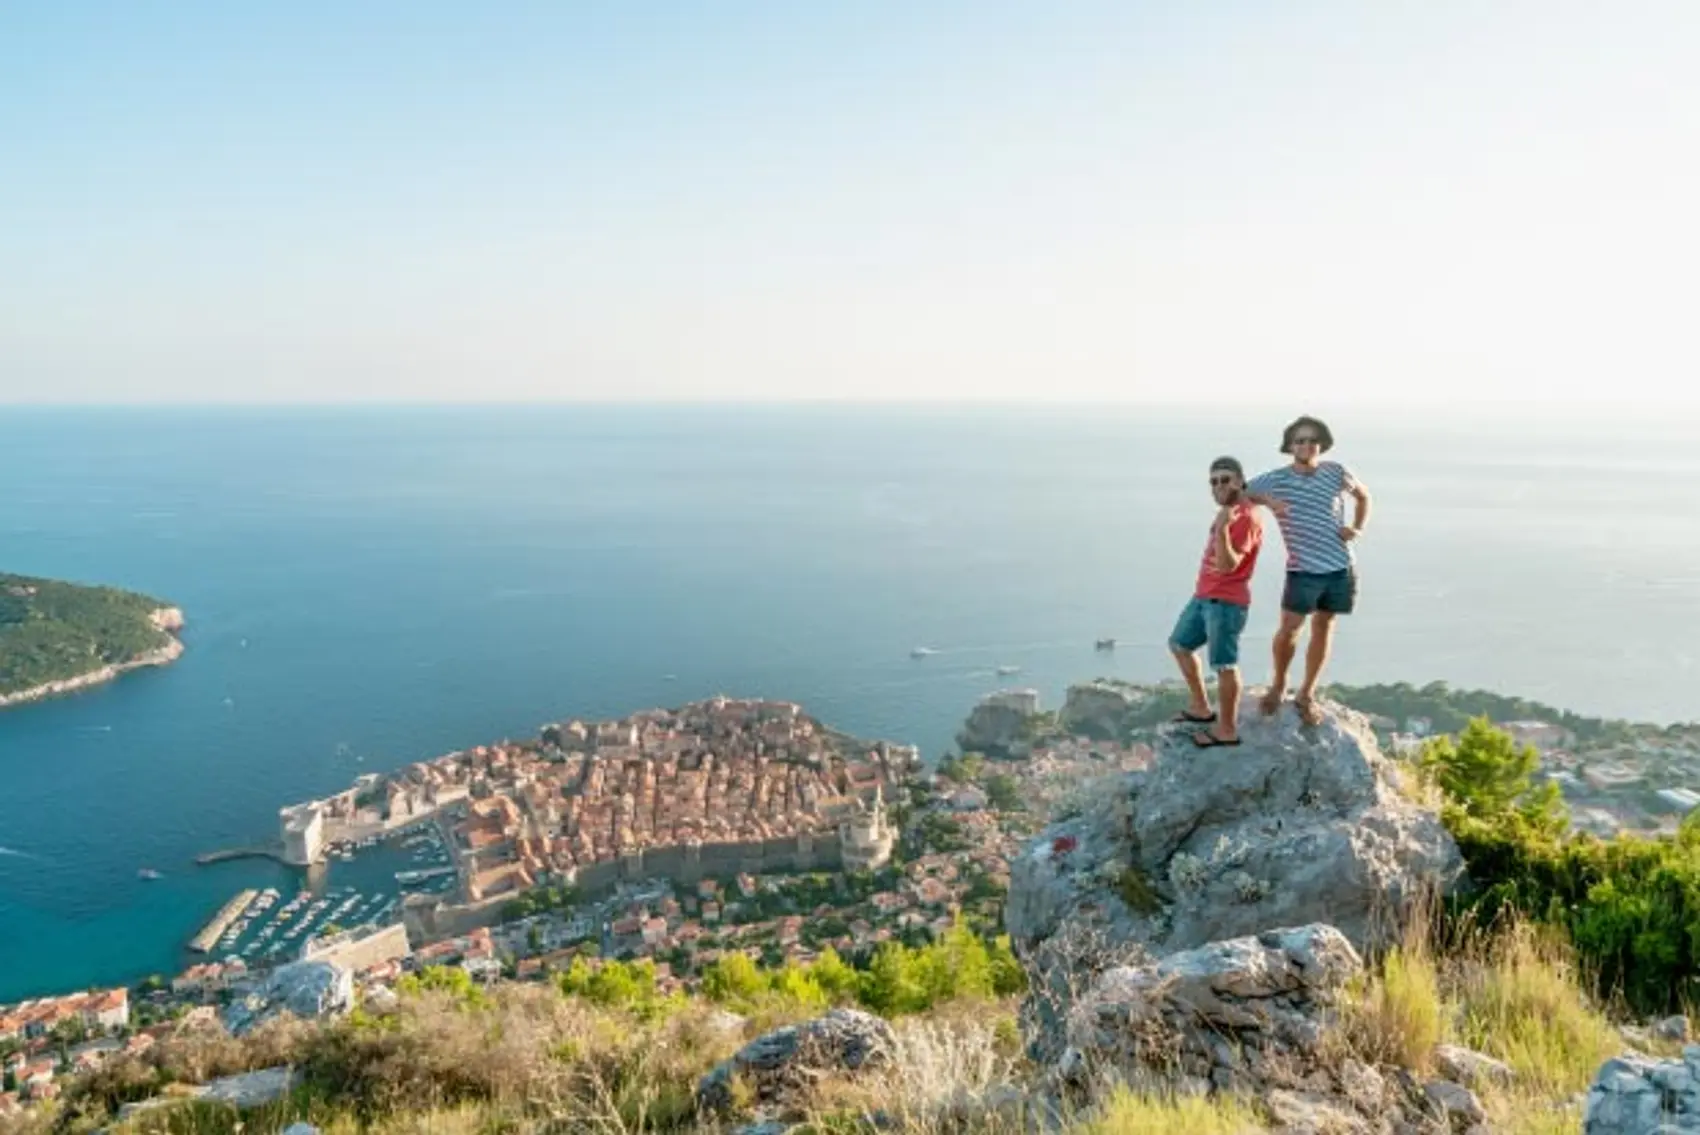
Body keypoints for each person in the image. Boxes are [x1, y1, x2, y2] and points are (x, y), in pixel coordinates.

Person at [1242, 415, 1372, 726]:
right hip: (1302, 568)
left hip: (1341, 565)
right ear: (1290, 445)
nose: (1306, 445)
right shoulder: (1275, 479)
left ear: (1321, 444)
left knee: (1324, 627)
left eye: (1312, 440)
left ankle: (1307, 693)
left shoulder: (1335, 472)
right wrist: (1268, 501)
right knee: (1289, 630)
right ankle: (1278, 685)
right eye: (1300, 440)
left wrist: (1356, 528)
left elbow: (1363, 496)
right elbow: (1238, 495)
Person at [1167, 456, 1264, 747]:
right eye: (1214, 481)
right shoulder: (1230, 512)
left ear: (1239, 481)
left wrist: (1222, 529)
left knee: (1224, 664)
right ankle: (1201, 707)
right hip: (1204, 596)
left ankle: (1227, 730)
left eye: (1225, 479)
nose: (1219, 486)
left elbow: (1228, 566)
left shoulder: (1245, 516)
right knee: (1179, 645)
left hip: (1226, 602)